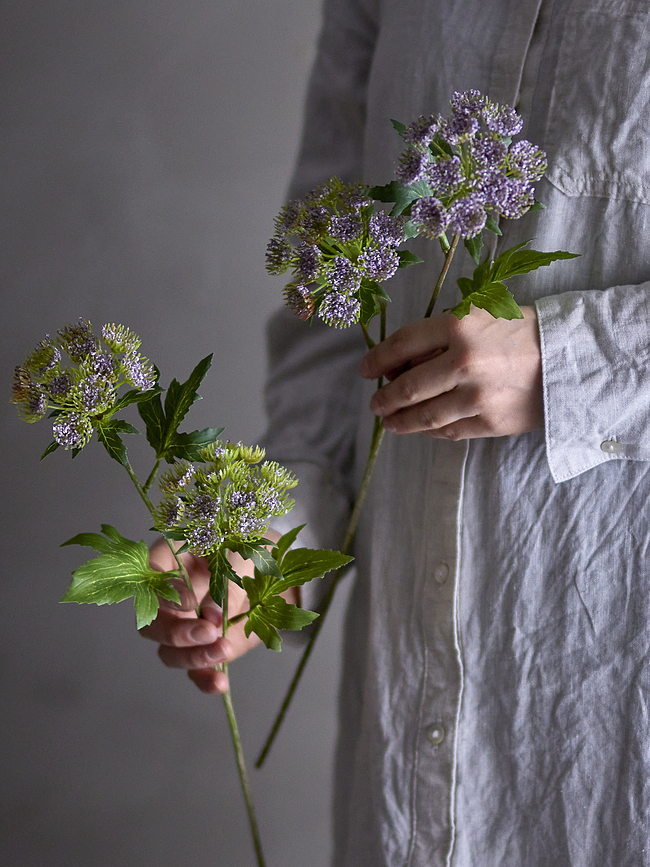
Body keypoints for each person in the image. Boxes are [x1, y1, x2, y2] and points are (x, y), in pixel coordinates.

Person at [141, 1, 650, 864]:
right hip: (408, 745)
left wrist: (576, 363)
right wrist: (273, 537)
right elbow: (328, 290)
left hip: (609, 730)